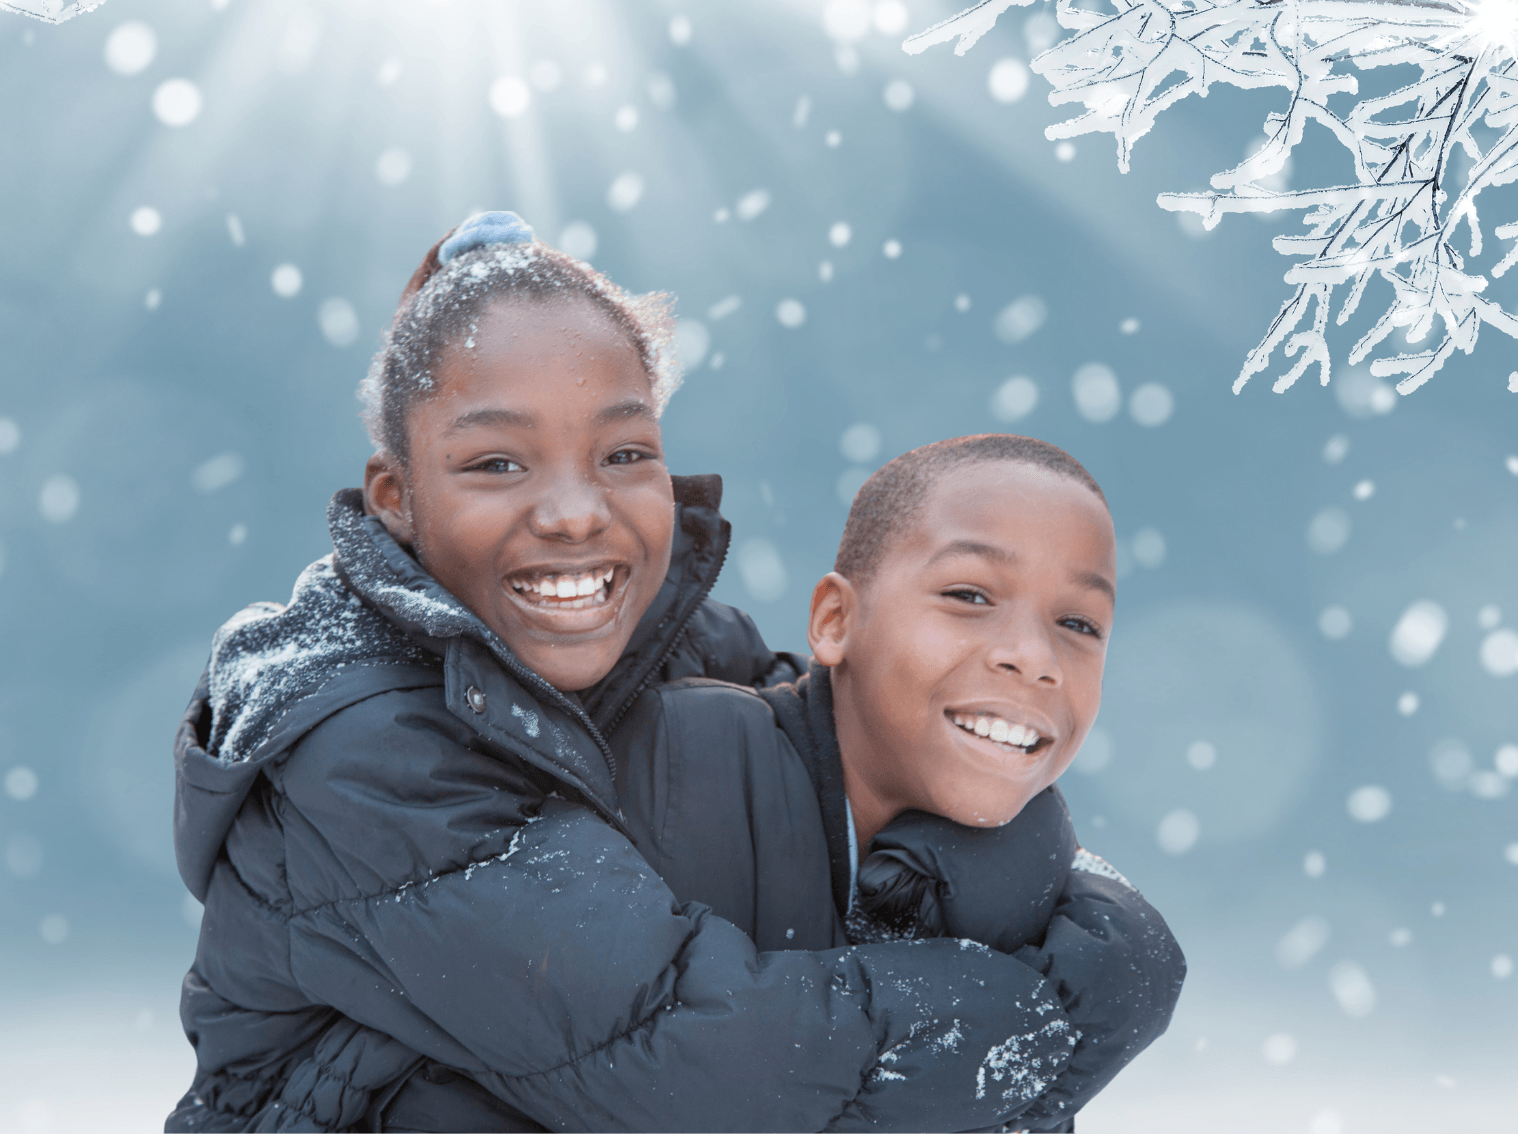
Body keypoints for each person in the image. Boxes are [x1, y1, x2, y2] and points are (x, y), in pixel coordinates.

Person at [168, 215, 1081, 1133]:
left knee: (957, 799)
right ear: (398, 499)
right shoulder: (361, 746)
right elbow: (687, 1061)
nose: (574, 512)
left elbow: (879, 758)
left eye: (623, 454)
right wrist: (1056, 1015)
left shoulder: (682, 649)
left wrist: (1038, 892)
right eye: (497, 463)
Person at [613, 435, 1187, 1131]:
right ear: (835, 620)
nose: (1035, 658)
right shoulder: (680, 769)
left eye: (1078, 623)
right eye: (970, 595)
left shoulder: (1023, 895)